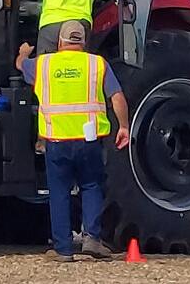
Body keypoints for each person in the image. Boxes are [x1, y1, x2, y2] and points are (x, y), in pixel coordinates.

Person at [16, 20, 130, 262]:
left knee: (59, 192)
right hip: (89, 140)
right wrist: (123, 126)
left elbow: (20, 65)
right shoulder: (96, 64)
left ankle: (64, 249)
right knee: (91, 186)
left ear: (60, 42)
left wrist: (23, 53)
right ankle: (92, 239)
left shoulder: (44, 64)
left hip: (57, 141)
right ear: (83, 42)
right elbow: (117, 97)